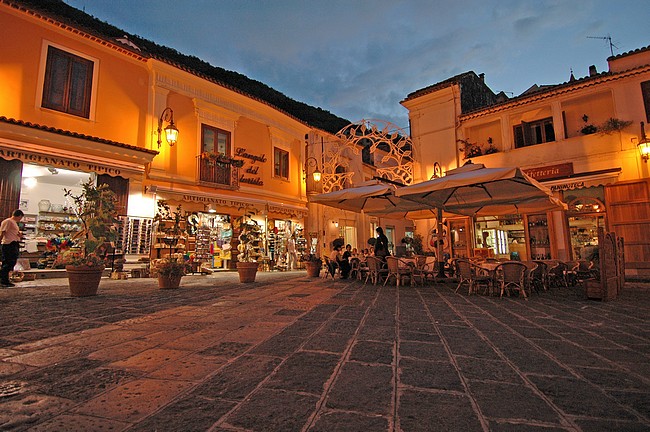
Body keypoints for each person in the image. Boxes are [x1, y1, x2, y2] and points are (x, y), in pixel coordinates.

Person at [1, 209, 24, 287]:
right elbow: (3, 231)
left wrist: (19, 235)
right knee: (8, 262)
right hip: (8, 243)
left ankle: (6, 279)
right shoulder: (8, 221)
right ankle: (3, 280)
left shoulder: (14, 223)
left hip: (14, 243)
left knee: (12, 262)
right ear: (19, 216)